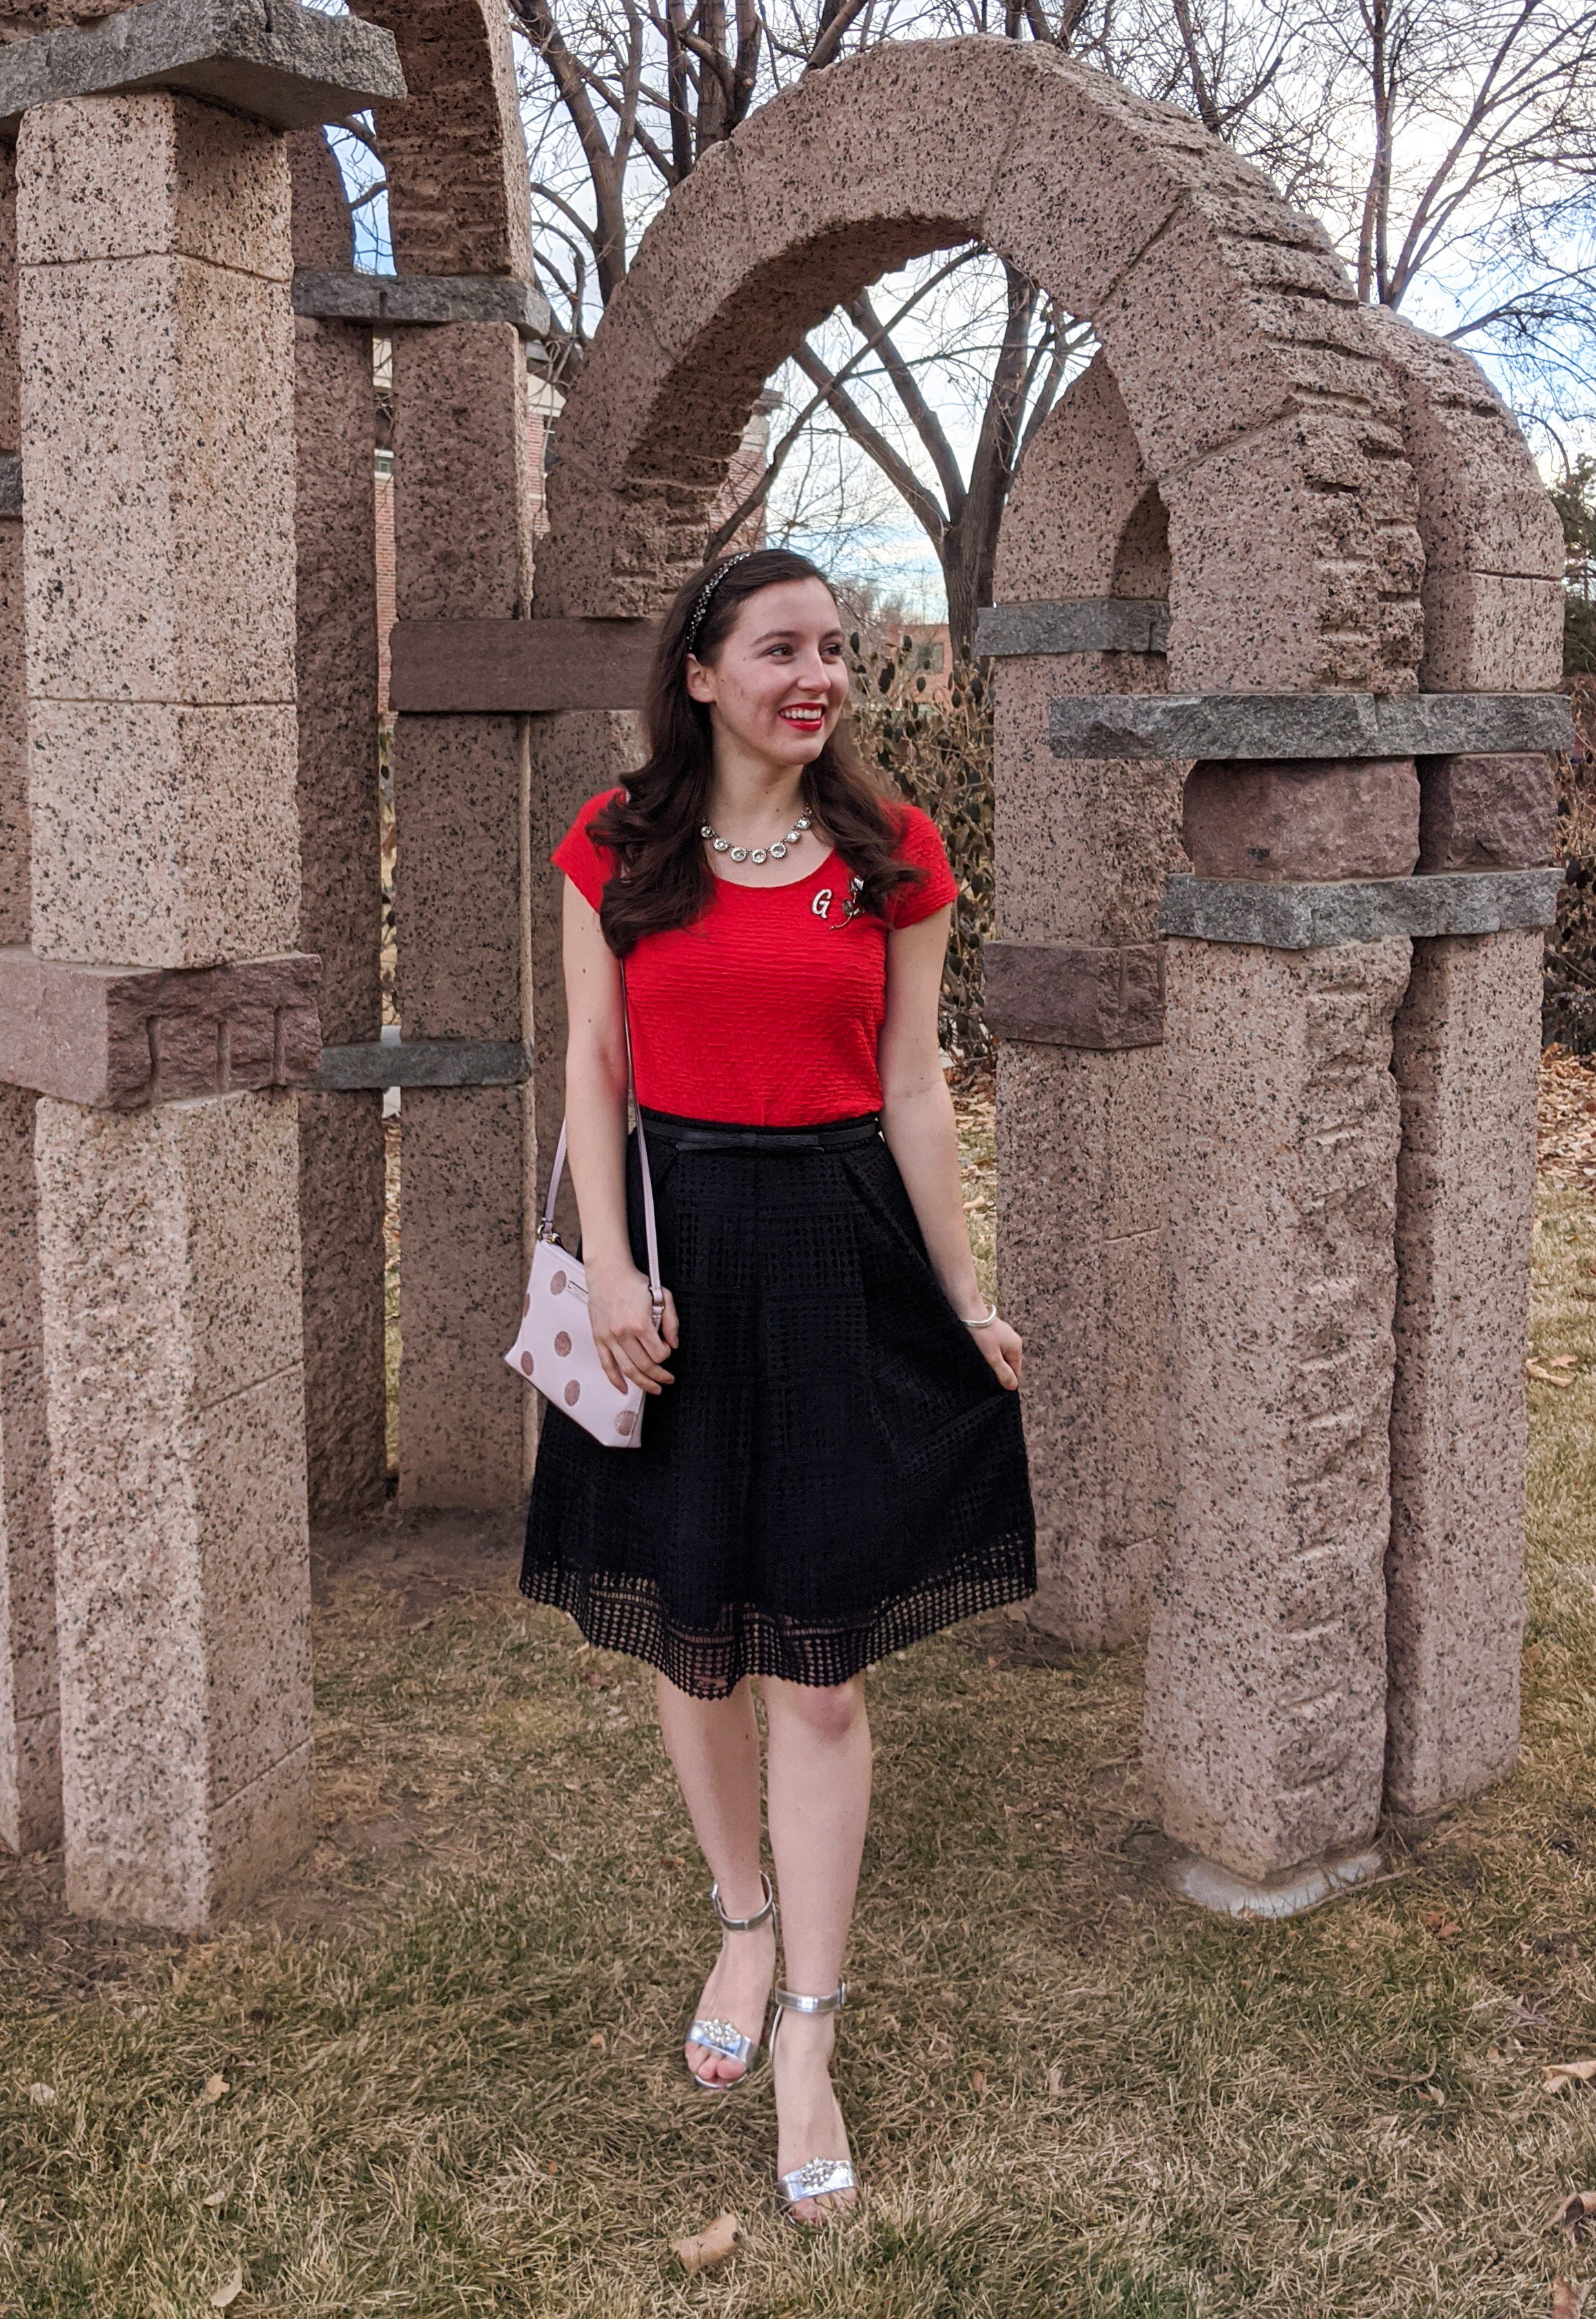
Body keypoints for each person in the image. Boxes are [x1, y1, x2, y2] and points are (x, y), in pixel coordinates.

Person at [519, 545, 1037, 2223]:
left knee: (816, 1668)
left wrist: (962, 1298)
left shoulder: (893, 859)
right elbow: (594, 1069)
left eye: (839, 650)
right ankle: (740, 1922)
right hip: (673, 1260)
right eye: (783, 650)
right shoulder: (619, 848)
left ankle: (809, 2018)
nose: (819, 677)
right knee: (695, 1619)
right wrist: (605, 1268)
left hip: (837, 1255)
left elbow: (915, 1093)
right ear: (700, 670)